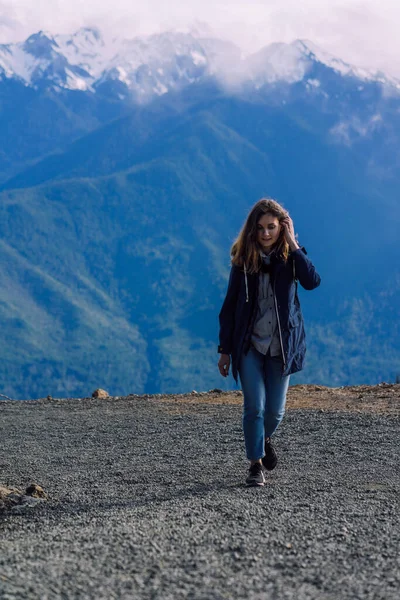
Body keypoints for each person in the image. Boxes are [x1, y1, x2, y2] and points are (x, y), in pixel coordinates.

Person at [218, 198, 321, 487]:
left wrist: (293, 242)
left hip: (281, 347)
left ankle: (263, 440)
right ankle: (255, 465)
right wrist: (224, 350)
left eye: (272, 227)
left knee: (275, 411)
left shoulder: (291, 258)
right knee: (255, 407)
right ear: (253, 229)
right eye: (261, 227)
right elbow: (229, 308)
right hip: (249, 346)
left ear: (282, 227)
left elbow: (313, 281)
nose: (265, 233)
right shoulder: (242, 263)